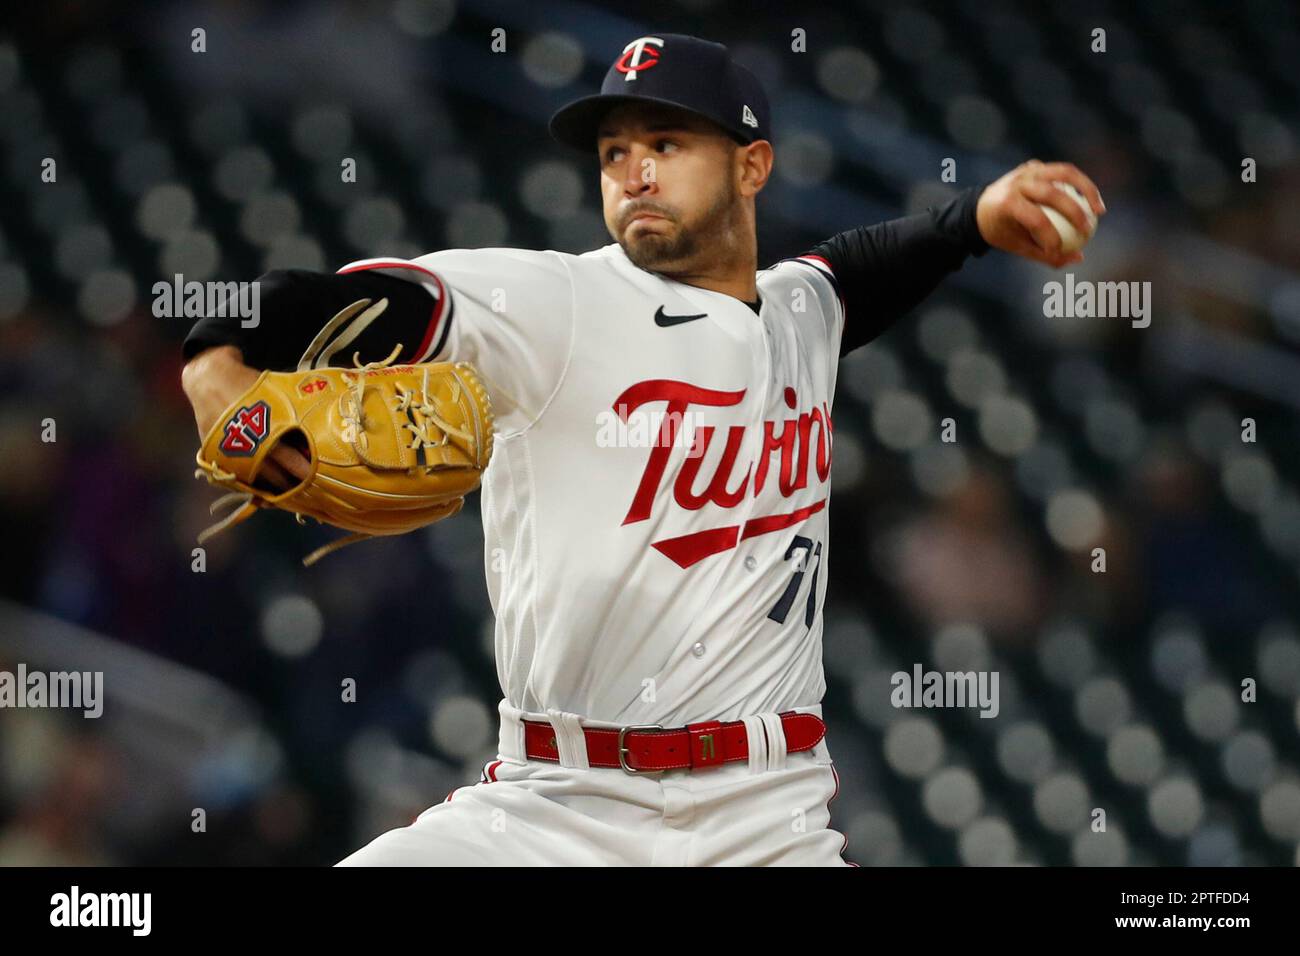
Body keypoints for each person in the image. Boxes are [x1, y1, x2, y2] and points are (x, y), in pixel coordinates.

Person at [180, 33, 1103, 865]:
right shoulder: (555, 305)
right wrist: (212, 375)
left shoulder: (797, 314)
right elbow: (317, 302)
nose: (633, 172)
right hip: (554, 808)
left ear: (753, 166)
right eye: (615, 152)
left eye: (665, 144)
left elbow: (860, 268)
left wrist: (972, 222)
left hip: (765, 819)